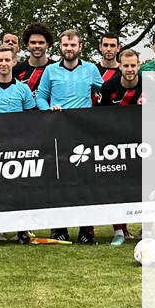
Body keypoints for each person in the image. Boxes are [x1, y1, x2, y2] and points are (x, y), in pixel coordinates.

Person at [36, 29, 104, 244]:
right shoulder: (50, 70)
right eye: (65, 45)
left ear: (80, 47)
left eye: (73, 45)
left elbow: (106, 91)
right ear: (61, 47)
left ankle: (86, 229)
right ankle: (59, 228)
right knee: (59, 181)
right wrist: (49, 109)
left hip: (83, 133)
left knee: (85, 182)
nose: (69, 49)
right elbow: (40, 96)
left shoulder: (91, 69)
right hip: (57, 132)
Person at [0, 45, 37, 244]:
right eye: (0, 60)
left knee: (19, 189)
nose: (4, 64)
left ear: (14, 62)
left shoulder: (23, 88)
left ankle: (22, 230)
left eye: (7, 60)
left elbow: (31, 118)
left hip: (17, 145)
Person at [99, 47, 144, 245]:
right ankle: (118, 230)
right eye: (126, 65)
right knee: (116, 187)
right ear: (120, 66)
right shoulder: (108, 87)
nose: (129, 69)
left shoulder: (149, 86)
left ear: (138, 65)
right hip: (116, 145)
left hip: (143, 143)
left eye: (133, 65)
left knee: (144, 187)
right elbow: (100, 116)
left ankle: (147, 229)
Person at [13, 23, 54, 92]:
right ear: (27, 45)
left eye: (41, 43)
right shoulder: (16, 71)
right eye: (33, 42)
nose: (37, 46)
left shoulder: (56, 69)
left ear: (47, 45)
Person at [93, 33, 121, 105]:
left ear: (118, 48)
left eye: (112, 45)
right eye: (105, 45)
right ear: (100, 47)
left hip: (118, 114)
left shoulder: (125, 71)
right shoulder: (91, 70)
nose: (109, 49)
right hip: (94, 114)